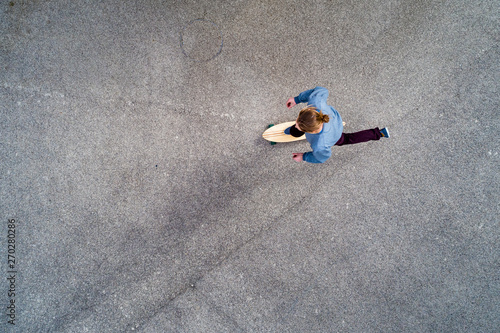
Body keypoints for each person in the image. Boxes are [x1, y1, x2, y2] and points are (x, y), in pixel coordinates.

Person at [285, 86, 390, 163]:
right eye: (297, 122)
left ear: (312, 132)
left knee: (348, 139)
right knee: (350, 138)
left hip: (335, 136)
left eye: (298, 125)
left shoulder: (320, 144)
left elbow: (321, 157)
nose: (296, 124)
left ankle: (289, 131)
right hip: (335, 121)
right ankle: (379, 133)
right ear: (309, 109)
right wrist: (296, 99)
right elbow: (322, 90)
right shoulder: (316, 102)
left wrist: (304, 157)